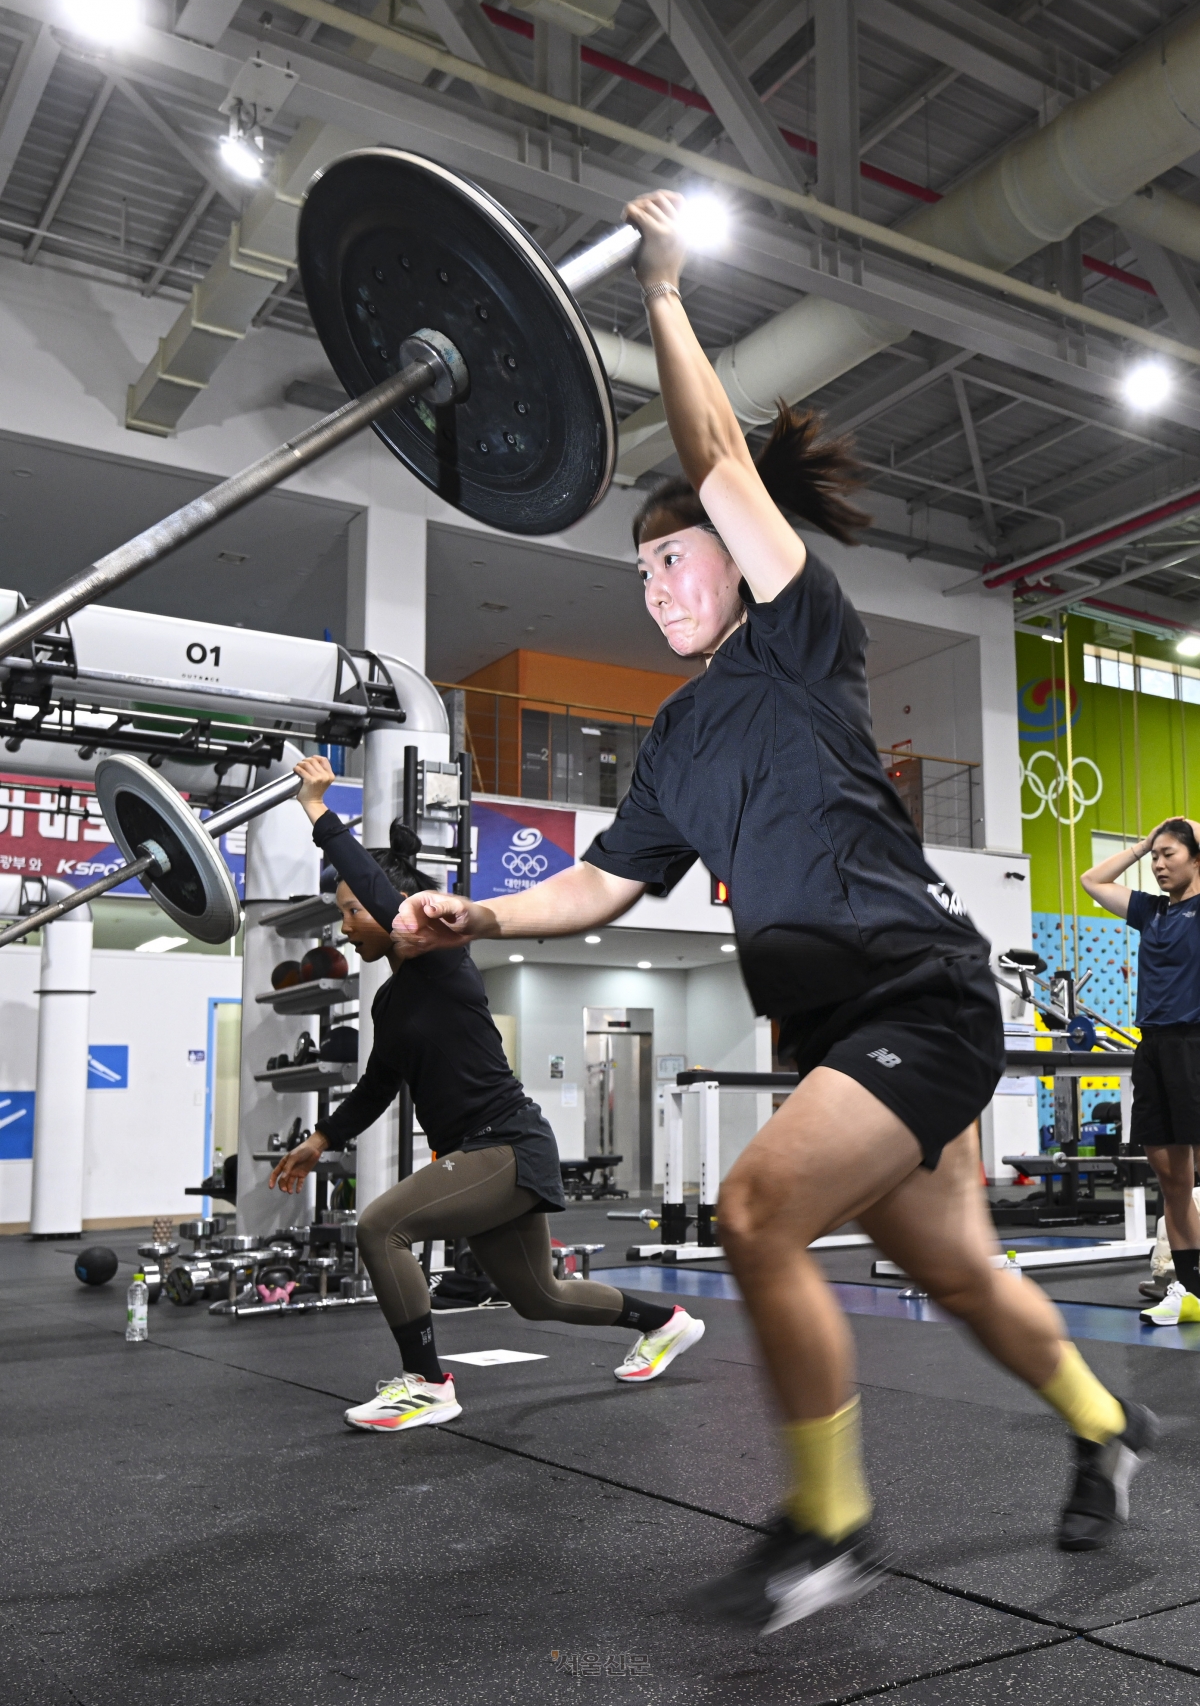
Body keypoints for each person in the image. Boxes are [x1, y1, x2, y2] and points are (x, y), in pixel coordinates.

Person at [388, 191, 1158, 1632]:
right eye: (640, 571)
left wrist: (667, 293)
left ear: (739, 562)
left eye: (671, 557)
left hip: (920, 993)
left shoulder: (802, 636)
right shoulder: (676, 739)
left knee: (753, 1207)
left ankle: (834, 1517)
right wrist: (471, 914)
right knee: (958, 1267)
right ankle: (1108, 1420)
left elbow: (718, 454)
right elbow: (600, 882)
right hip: (832, 1024)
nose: (655, 582)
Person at [268, 757, 704, 1434]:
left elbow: (387, 899)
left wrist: (318, 812)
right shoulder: (391, 1001)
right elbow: (380, 1083)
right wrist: (320, 1139)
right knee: (540, 1295)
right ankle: (668, 1323)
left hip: (503, 1144)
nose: (346, 926)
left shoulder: (443, 959)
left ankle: (427, 1384)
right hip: (484, 1151)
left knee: (381, 1226)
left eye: (352, 912)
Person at [1082, 817, 1200, 1326]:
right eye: (1156, 857)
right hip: (1152, 1048)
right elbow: (1092, 881)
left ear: (1197, 858)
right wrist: (1140, 845)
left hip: (1197, 1043)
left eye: (1169, 854)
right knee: (1171, 1177)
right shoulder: (1150, 911)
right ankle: (1192, 1292)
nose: (1158, 865)